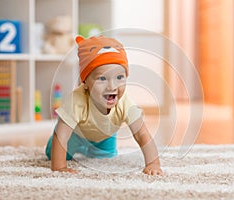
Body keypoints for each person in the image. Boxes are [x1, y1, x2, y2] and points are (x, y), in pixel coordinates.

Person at [45, 35, 163, 175]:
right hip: (74, 135)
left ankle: (90, 149)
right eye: (102, 78)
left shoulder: (125, 103)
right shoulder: (76, 102)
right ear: (85, 83)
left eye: (119, 77)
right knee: (54, 155)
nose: (112, 86)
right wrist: (59, 168)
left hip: (106, 135)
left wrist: (153, 164)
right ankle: (75, 148)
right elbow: (62, 136)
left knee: (106, 159)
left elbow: (141, 134)